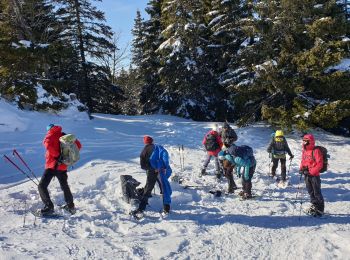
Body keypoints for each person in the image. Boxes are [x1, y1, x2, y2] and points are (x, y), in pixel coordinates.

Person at [38, 124, 82, 215]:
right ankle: (70, 206)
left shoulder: (49, 136)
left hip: (52, 166)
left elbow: (48, 146)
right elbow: (79, 145)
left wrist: (57, 156)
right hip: (63, 166)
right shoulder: (64, 135)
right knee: (64, 186)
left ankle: (49, 207)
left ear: (49, 129)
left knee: (42, 186)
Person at [131, 135, 172, 219]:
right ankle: (166, 208)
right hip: (161, 170)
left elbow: (143, 166)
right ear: (152, 141)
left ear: (145, 142)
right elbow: (165, 156)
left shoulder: (144, 152)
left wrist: (153, 168)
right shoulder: (158, 147)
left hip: (151, 172)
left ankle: (141, 208)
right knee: (164, 188)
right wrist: (164, 166)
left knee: (148, 188)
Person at [299, 134, 325, 216]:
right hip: (307, 174)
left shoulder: (316, 151)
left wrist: (312, 171)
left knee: (317, 192)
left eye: (305, 141)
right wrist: (301, 169)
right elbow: (303, 161)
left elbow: (320, 164)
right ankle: (314, 206)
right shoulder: (304, 150)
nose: (303, 142)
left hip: (314, 175)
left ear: (309, 141)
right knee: (310, 191)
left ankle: (320, 210)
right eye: (303, 140)